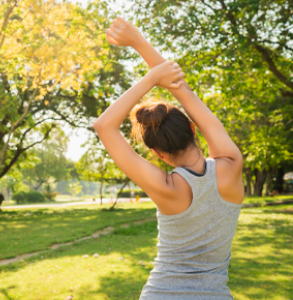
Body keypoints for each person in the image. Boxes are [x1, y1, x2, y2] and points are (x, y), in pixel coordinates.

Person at [93, 17, 244, 300]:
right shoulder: (232, 165)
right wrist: (140, 42)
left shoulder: (167, 187)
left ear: (158, 154)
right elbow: (181, 91)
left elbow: (104, 126)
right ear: (192, 127)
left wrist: (150, 79)